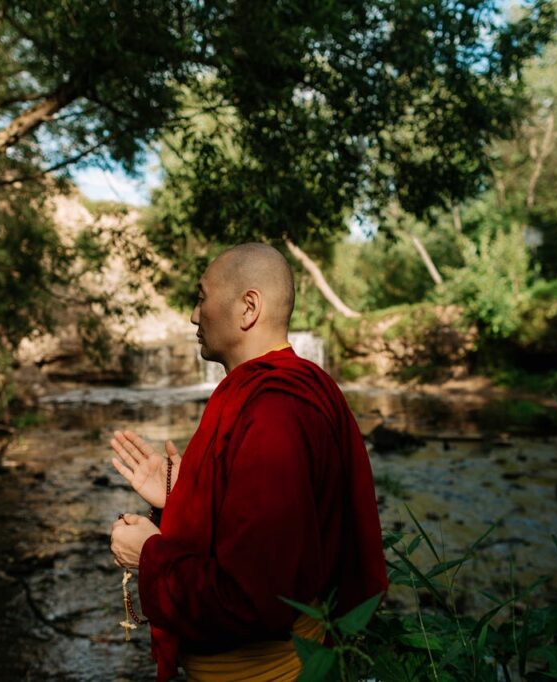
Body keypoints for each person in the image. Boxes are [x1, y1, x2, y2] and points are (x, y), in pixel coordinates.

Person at [109, 243, 387, 681]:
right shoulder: (299, 387)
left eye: (201, 297)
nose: (193, 316)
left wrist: (149, 555)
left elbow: (252, 598)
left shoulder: (274, 412)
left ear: (248, 307)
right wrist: (185, 498)